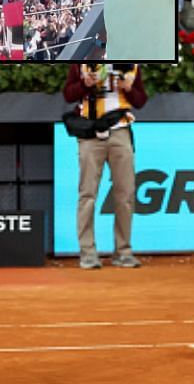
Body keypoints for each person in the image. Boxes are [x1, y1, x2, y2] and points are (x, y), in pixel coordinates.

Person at [63, 63, 147, 270]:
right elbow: (68, 94)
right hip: (90, 132)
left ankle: (123, 251)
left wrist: (128, 88)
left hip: (120, 130)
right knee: (87, 194)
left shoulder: (130, 65)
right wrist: (85, 84)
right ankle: (88, 253)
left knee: (125, 194)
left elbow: (140, 100)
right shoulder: (81, 62)